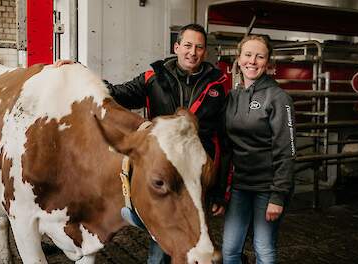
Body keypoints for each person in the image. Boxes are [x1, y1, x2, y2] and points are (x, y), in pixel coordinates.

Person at [57, 23, 227, 264]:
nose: (193, 52)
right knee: (159, 246)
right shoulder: (153, 78)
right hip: (165, 175)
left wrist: (219, 190)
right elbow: (116, 93)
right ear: (176, 47)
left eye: (199, 47)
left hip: (196, 178)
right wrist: (81, 71)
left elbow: (222, 138)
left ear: (205, 52)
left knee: (196, 241)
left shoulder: (218, 86)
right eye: (187, 45)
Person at [221, 35, 296, 264]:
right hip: (240, 186)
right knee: (230, 250)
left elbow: (287, 150)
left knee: (263, 249)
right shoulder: (233, 97)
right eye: (248, 55)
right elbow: (225, 145)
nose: (252, 61)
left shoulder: (278, 97)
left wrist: (278, 196)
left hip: (268, 187)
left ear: (268, 63)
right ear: (239, 58)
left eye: (260, 56)